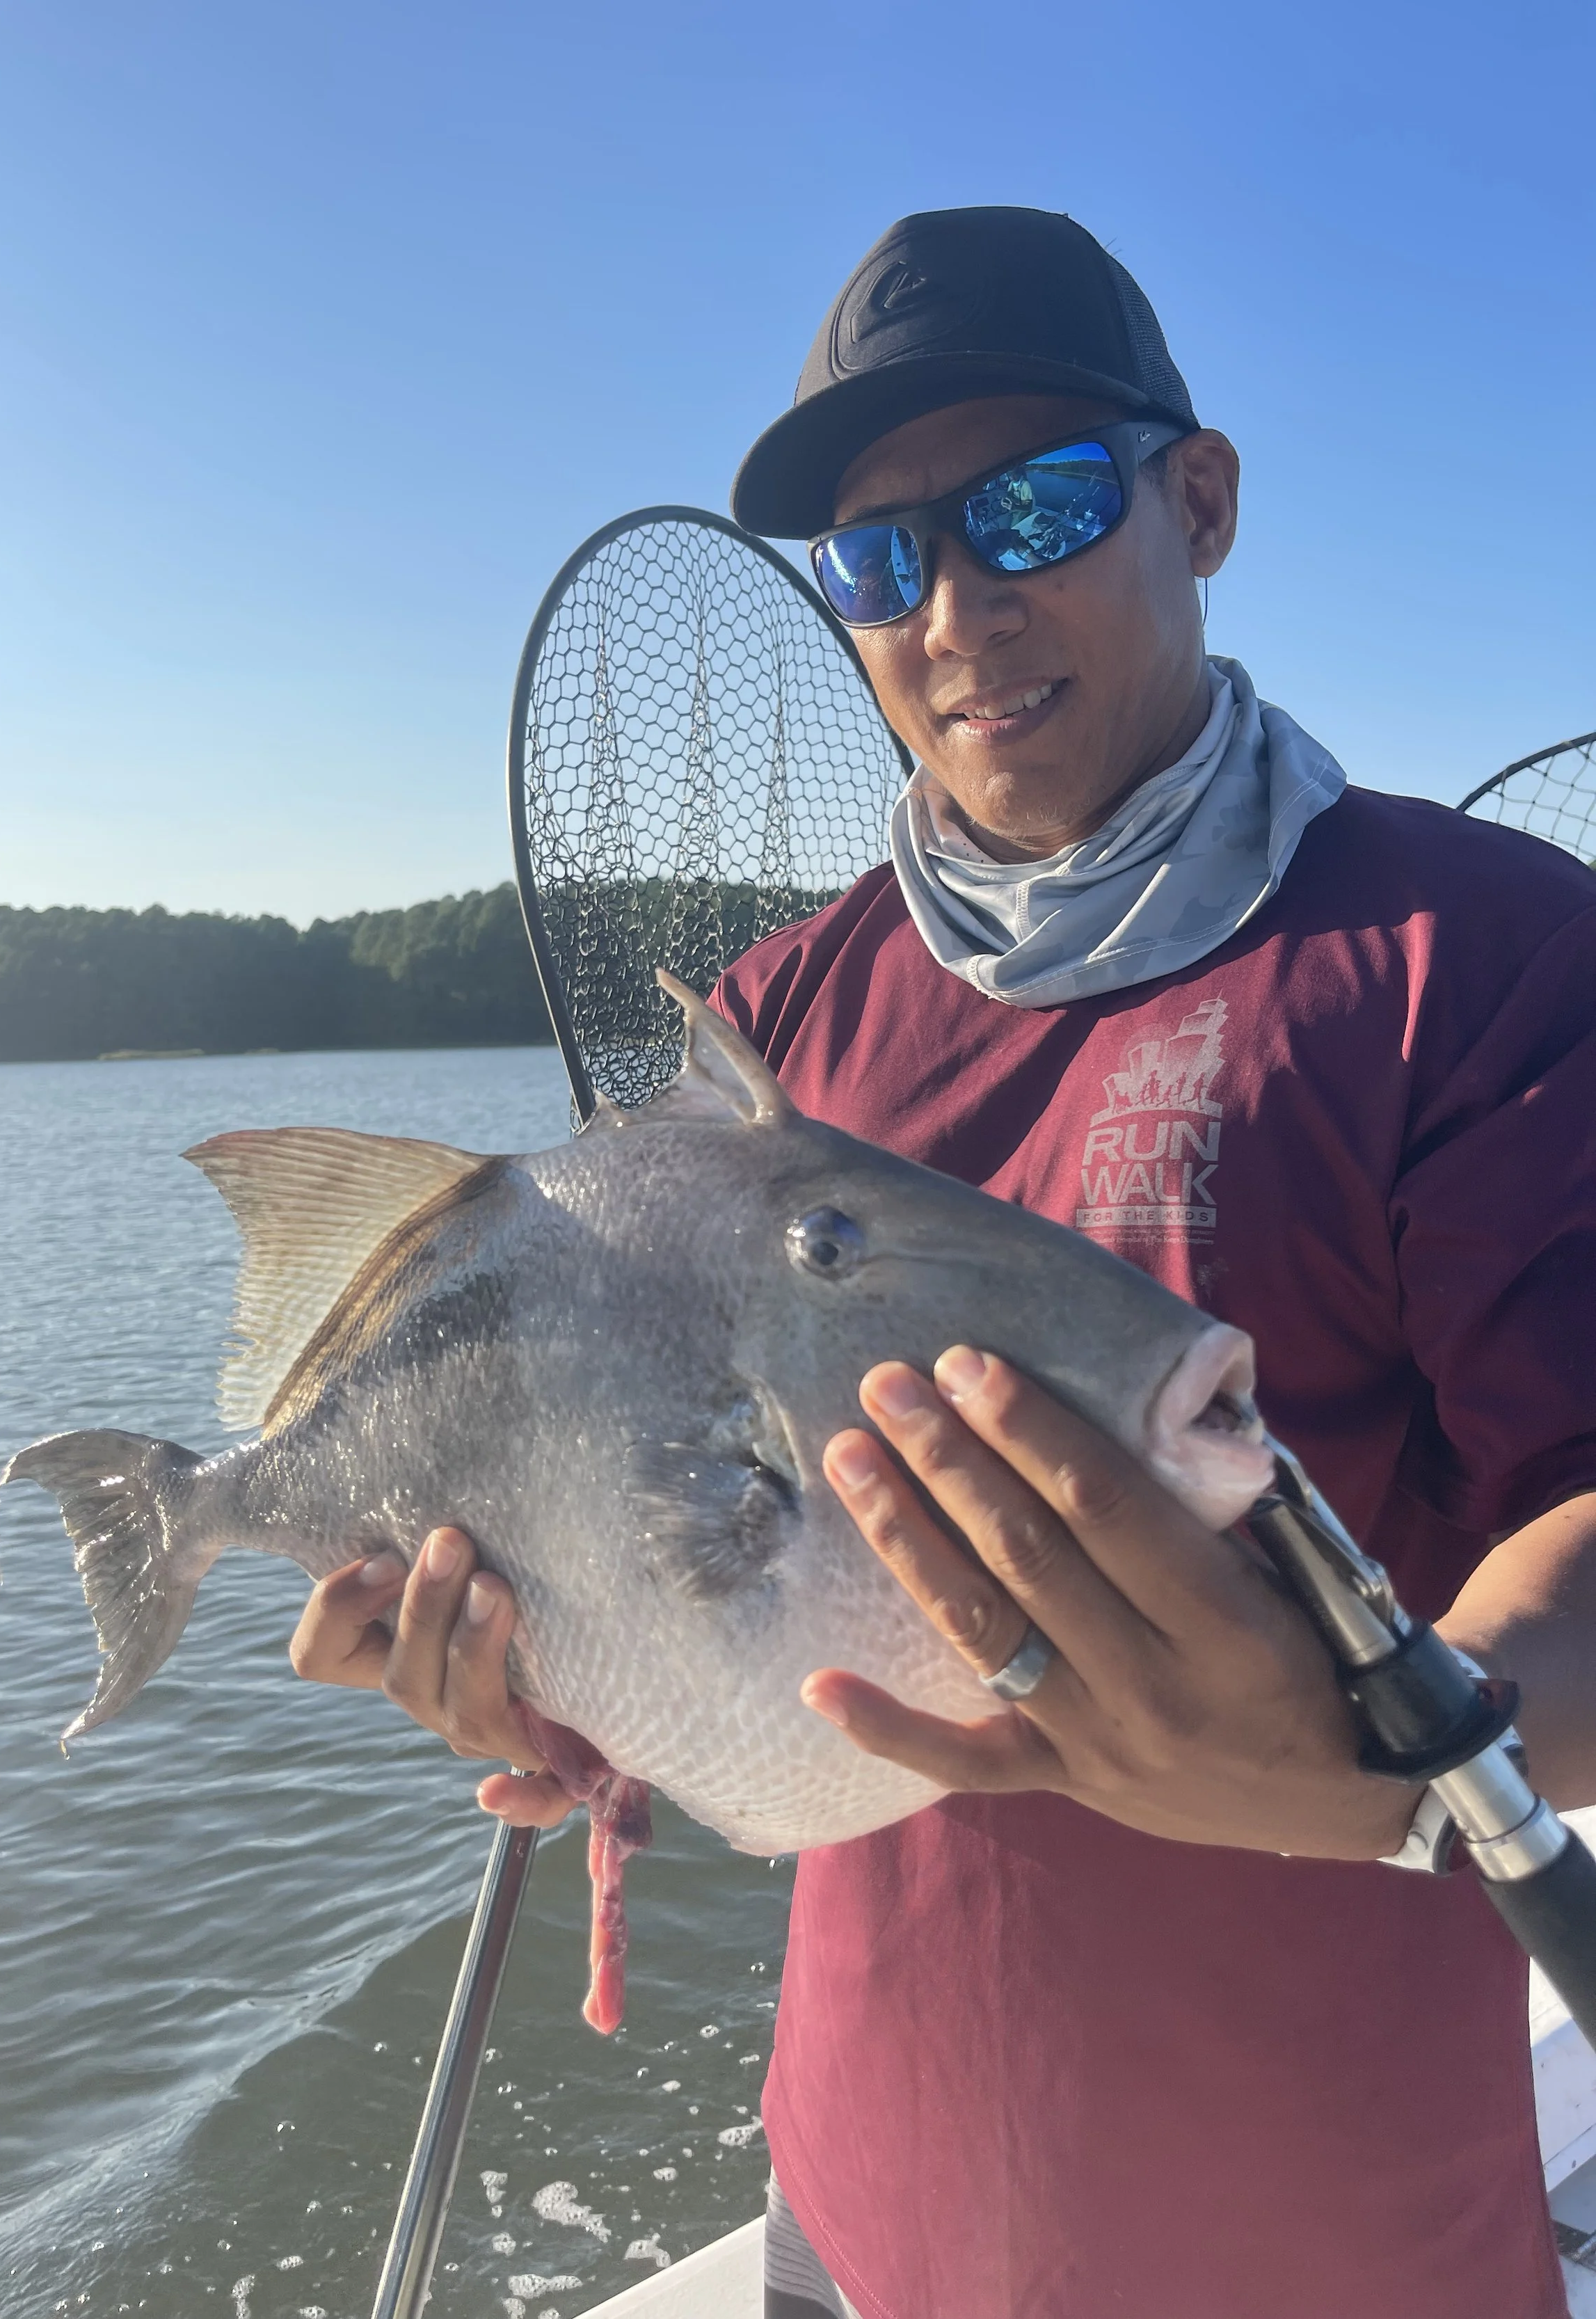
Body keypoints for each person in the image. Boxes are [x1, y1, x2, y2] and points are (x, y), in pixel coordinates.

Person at [288, 209, 1596, 2318]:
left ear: (1203, 498)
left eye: (1036, 507)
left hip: (1333, 2245)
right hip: (860, 2214)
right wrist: (563, 1673)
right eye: (881, 559)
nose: (957, 609)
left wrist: (1377, 1747)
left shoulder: (1471, 955)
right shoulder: (776, 1023)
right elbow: (729, 1565)